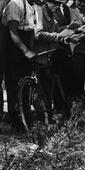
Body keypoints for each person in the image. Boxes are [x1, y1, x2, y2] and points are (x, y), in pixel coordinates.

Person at [1, 0, 37, 130]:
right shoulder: (14, 4)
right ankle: (15, 120)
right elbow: (13, 31)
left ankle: (26, 120)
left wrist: (31, 50)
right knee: (14, 86)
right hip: (14, 49)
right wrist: (25, 51)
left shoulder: (31, 6)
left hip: (26, 46)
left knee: (26, 85)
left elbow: (31, 30)